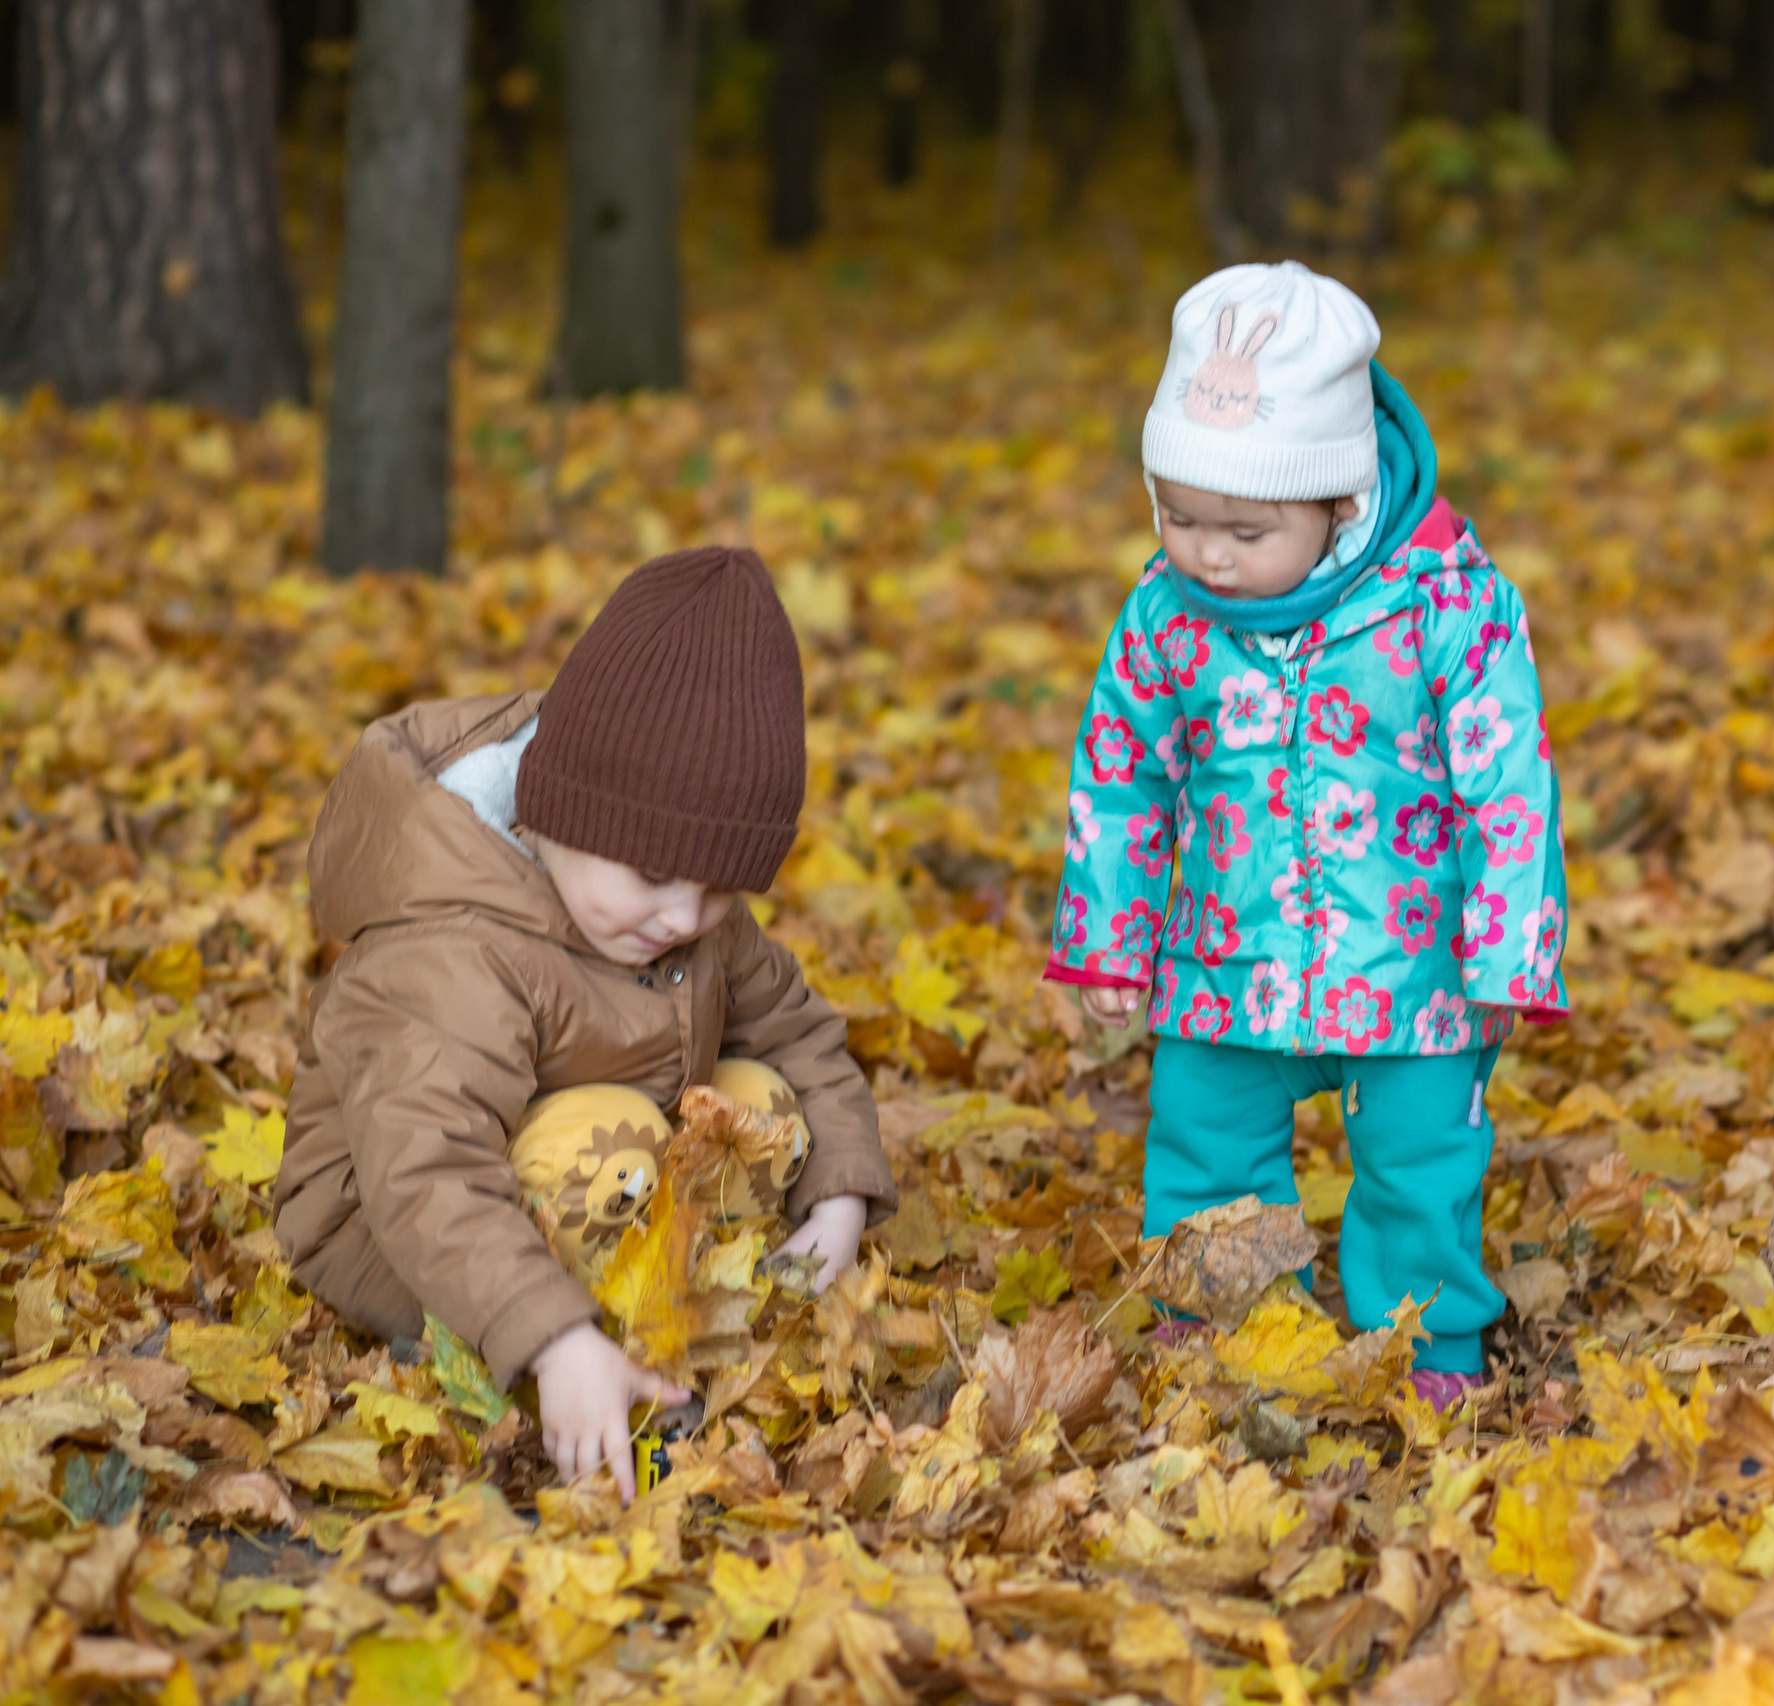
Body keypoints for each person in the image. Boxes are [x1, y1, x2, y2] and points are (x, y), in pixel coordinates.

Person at [1048, 261, 1569, 1406]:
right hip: (1225, 951)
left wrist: (1506, 951)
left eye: (1243, 527)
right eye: (1177, 515)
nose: (1207, 554)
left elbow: (1507, 778)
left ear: (1339, 502)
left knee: (1420, 1163)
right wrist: (1110, 938)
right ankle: (1215, 1315)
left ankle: (1426, 1339)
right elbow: (1125, 772)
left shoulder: (1446, 602)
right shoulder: (1165, 615)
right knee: (1203, 1138)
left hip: (1417, 962)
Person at [276, 546, 894, 1500]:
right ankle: (591, 1365)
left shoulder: (674, 905)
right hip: (393, 1225)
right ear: (555, 814)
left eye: (721, 889)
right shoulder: (457, 950)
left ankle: (692, 1297)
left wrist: (840, 1198)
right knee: (600, 1158)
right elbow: (424, 1166)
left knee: (760, 1096)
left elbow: (798, 1032)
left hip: (605, 1167)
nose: (685, 919)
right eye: (653, 877)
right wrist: (554, 1337)